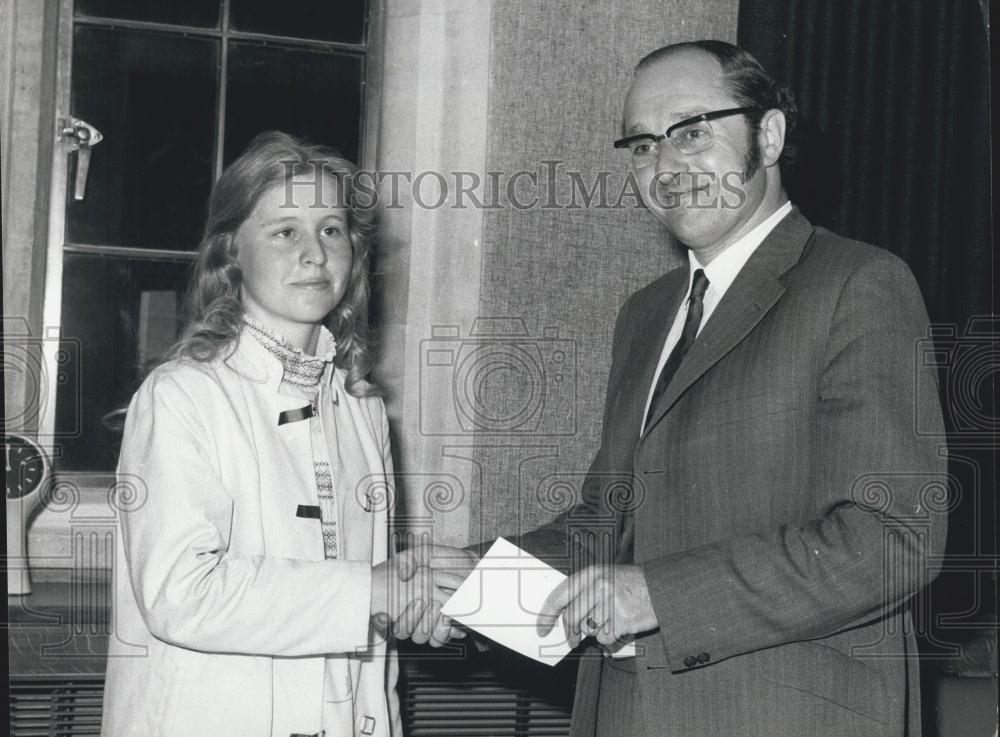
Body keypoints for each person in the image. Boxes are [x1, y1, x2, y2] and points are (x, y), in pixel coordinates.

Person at [408, 40, 948, 737]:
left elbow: (893, 537)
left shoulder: (857, 283)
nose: (665, 166)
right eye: (641, 146)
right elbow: (610, 525)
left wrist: (659, 594)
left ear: (771, 135)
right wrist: (471, 586)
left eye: (692, 132)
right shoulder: (645, 314)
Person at [101, 131, 459, 737]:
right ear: (231, 252)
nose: (316, 253)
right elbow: (181, 593)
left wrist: (405, 590)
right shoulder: (183, 395)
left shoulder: (359, 405)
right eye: (285, 231)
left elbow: (364, 630)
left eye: (331, 229)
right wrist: (370, 592)